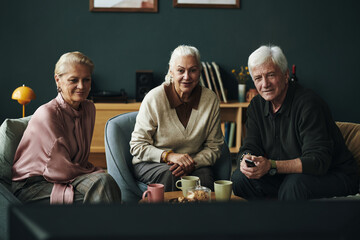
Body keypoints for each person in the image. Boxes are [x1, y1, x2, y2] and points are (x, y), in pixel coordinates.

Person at [231, 45, 359, 200]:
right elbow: (250, 146)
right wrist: (246, 159)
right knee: (239, 178)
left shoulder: (309, 104)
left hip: (334, 174)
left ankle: (284, 223)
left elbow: (318, 161)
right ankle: (267, 220)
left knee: (294, 185)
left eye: (271, 75)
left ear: (285, 75)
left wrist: (271, 165)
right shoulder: (256, 106)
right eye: (258, 78)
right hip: (286, 175)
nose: (265, 84)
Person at [12, 51, 121, 204]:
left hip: (68, 176)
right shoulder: (48, 113)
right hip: (33, 185)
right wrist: (94, 172)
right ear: (58, 80)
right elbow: (59, 169)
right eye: (73, 80)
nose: (81, 86)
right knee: (104, 184)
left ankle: (108, 226)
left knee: (105, 183)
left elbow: (80, 160)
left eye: (86, 80)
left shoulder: (89, 108)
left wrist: (94, 173)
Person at [130, 45, 224, 191]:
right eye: (181, 70)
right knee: (171, 175)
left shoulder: (210, 100)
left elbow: (214, 147)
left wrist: (190, 163)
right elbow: (137, 146)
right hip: (152, 163)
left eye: (192, 70)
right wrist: (169, 156)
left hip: (194, 163)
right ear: (171, 70)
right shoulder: (154, 98)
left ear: (200, 71)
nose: (187, 77)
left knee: (204, 178)